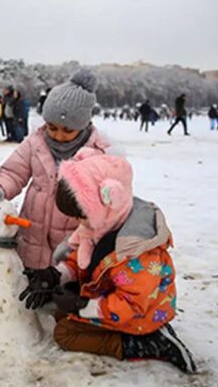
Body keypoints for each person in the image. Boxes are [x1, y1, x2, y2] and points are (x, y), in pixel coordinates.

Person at [19, 150, 197, 373]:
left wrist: (83, 305)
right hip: (111, 298)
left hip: (141, 313)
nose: (76, 221)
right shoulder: (102, 223)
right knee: (60, 313)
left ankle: (151, 343)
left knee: (65, 333)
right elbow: (82, 259)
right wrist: (57, 275)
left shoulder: (135, 251)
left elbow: (133, 303)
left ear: (109, 200)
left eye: (81, 215)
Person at [0, 70, 111, 270]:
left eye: (68, 130)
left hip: (73, 240)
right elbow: (14, 172)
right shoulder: (36, 142)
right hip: (33, 233)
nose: (58, 135)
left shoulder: (98, 154)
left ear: (84, 125)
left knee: (65, 276)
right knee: (30, 272)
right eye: (52, 127)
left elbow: (110, 199)